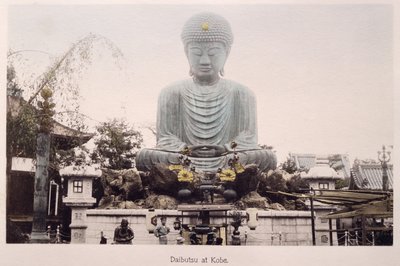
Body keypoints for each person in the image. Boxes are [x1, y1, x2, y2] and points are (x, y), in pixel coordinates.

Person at [136, 12, 277, 174]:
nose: (204, 61)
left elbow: (248, 138)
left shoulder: (242, 93)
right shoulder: (171, 92)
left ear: (227, 52)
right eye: (196, 53)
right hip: (185, 157)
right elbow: (165, 138)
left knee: (266, 157)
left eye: (213, 54)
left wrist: (225, 148)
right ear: (186, 52)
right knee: (145, 156)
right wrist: (185, 149)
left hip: (226, 157)